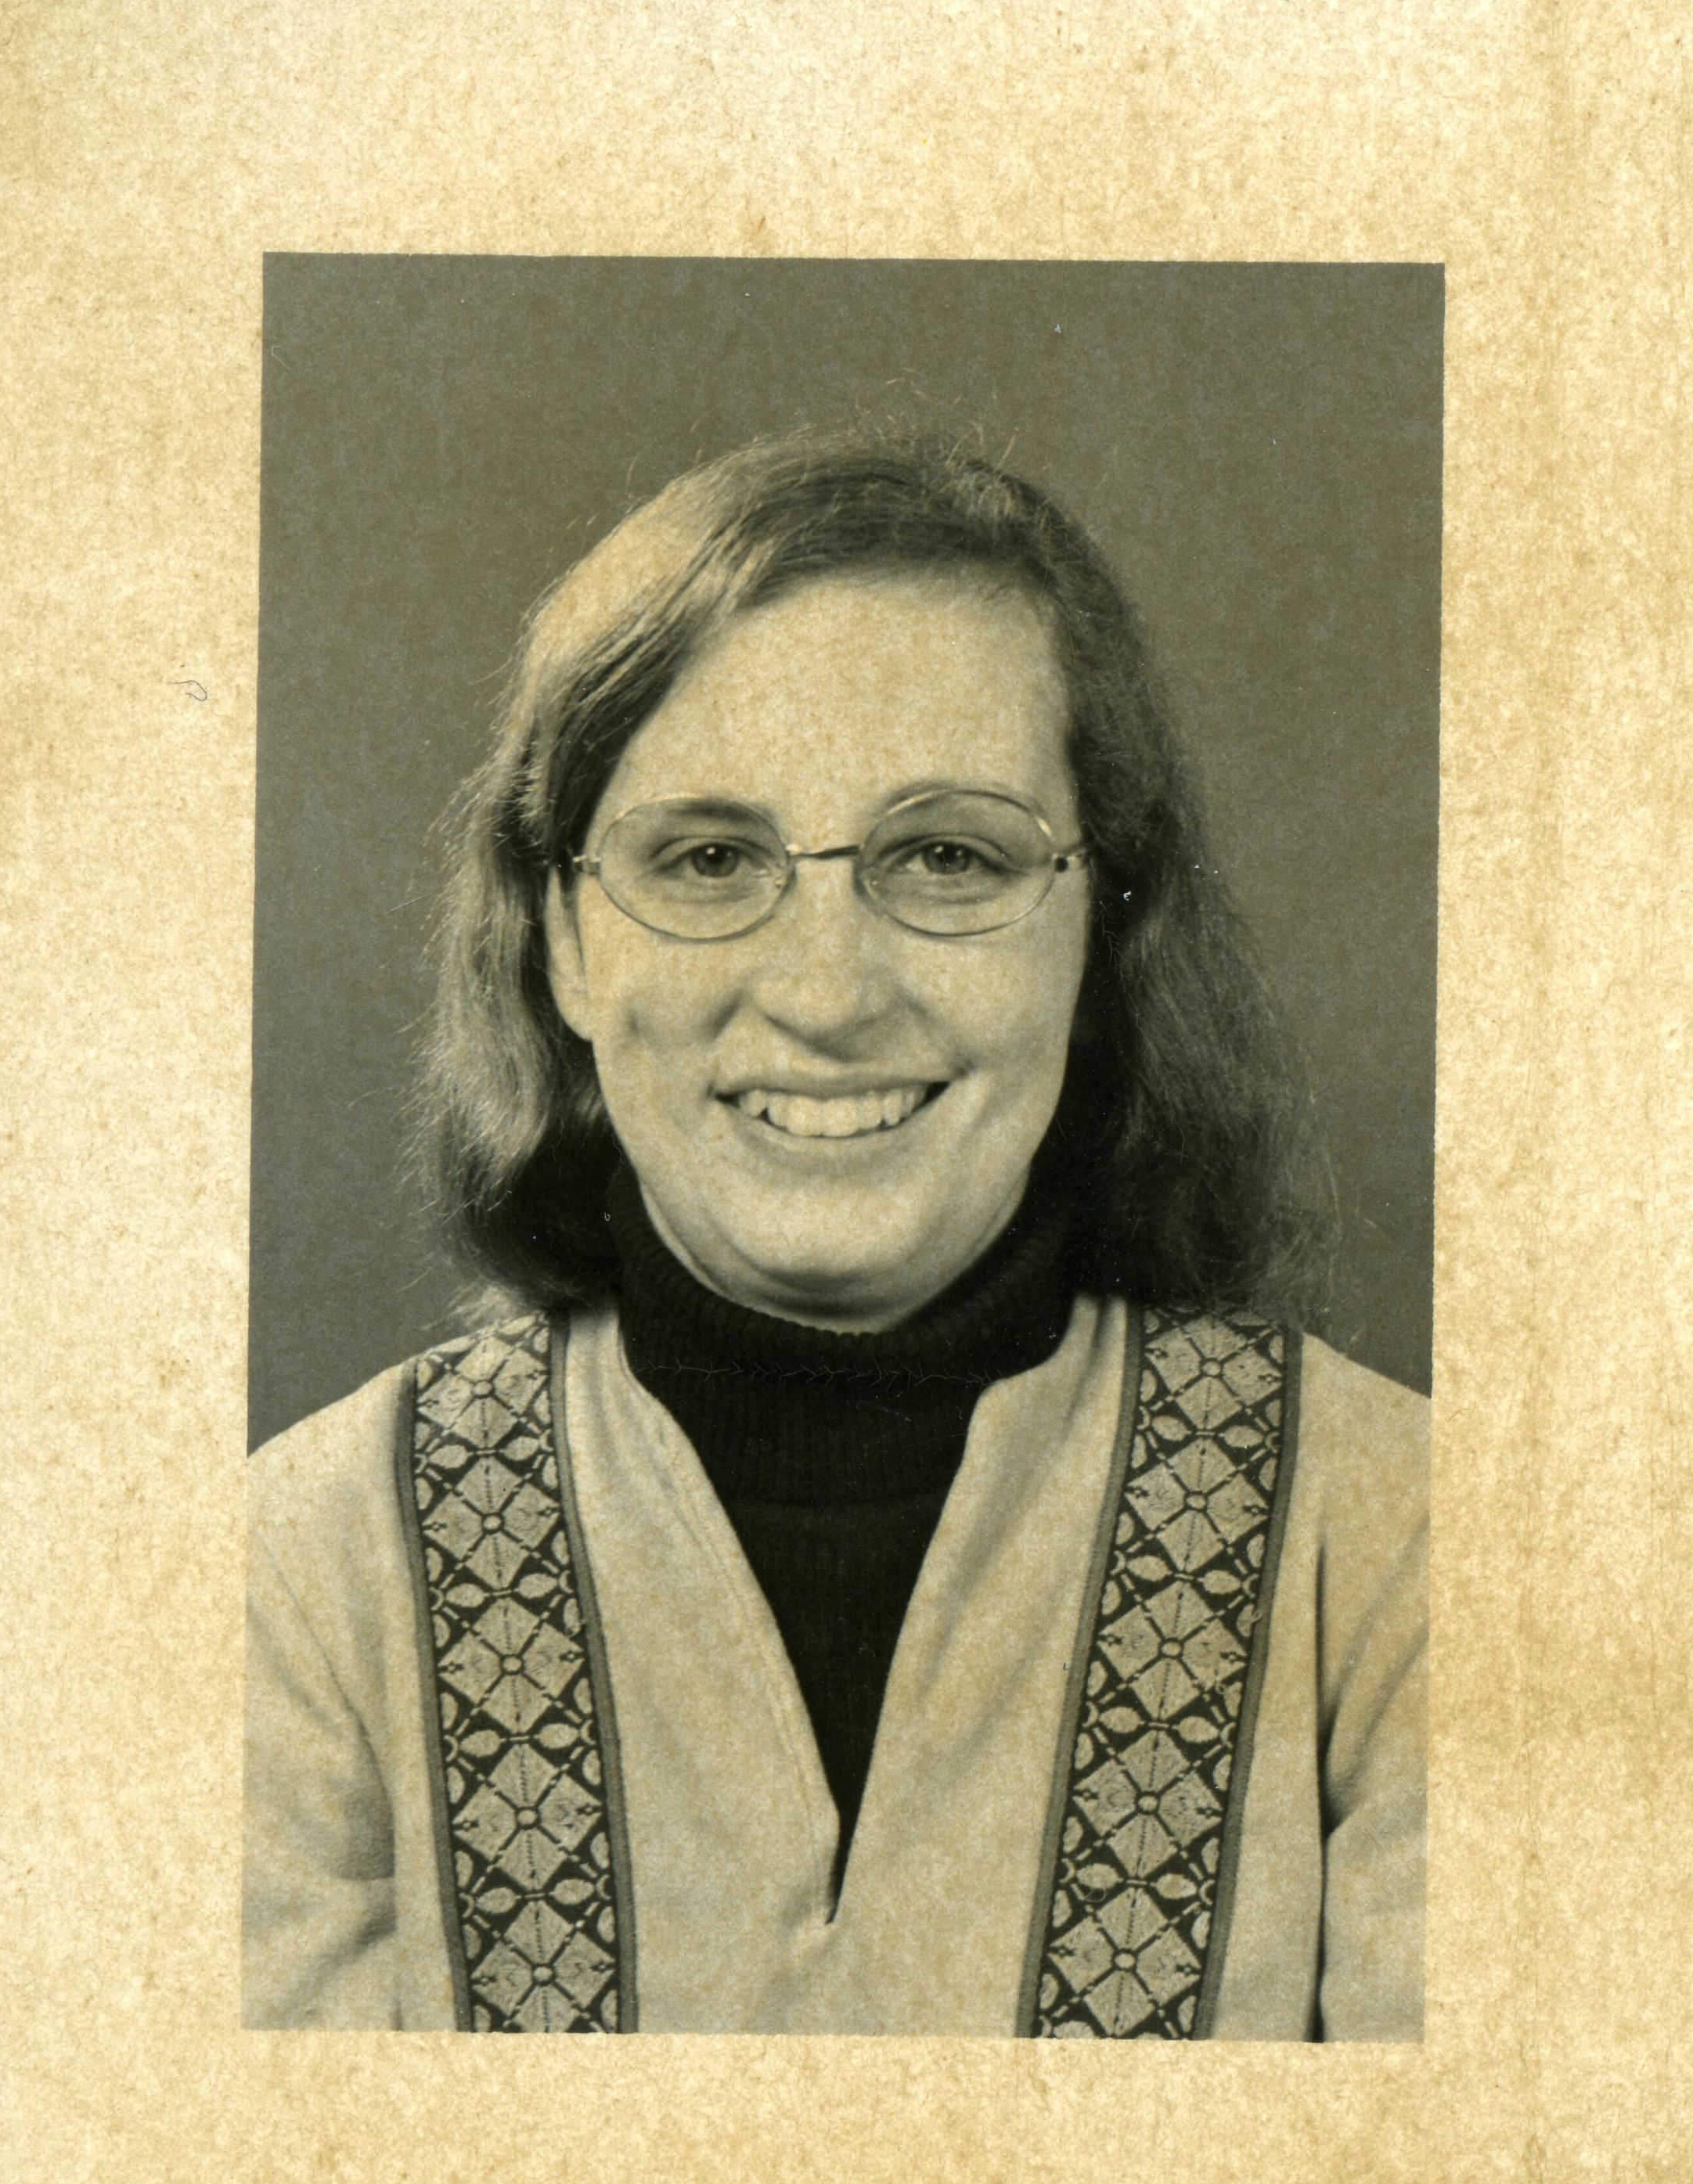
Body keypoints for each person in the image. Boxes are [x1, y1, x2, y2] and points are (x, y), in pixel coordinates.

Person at [244, 430, 1427, 2039]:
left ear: (1103, 932)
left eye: (947, 856)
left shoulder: (1407, 1549)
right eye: (708, 858)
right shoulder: (298, 1578)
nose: (824, 992)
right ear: (567, 941)